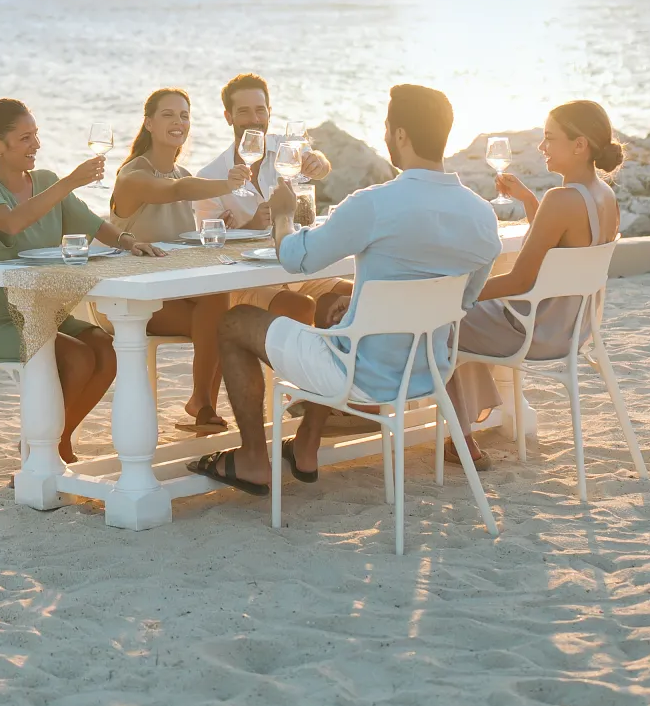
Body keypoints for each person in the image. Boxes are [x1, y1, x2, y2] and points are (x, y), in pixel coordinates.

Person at [193, 84, 501, 496]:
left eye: (388, 128)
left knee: (234, 322)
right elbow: (459, 301)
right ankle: (305, 444)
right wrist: (361, 302)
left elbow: (298, 258)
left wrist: (283, 217)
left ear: (401, 135)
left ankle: (252, 459)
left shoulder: (373, 204)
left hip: (360, 371)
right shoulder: (482, 215)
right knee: (328, 304)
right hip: (429, 368)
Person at [0, 99, 162, 463]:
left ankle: (55, 442)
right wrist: (71, 182)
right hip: (3, 320)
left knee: (105, 349)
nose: (36, 145)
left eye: (36, 135)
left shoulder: (45, 182)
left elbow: (90, 222)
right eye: (25, 138)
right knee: (77, 358)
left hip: (51, 313)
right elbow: (12, 222)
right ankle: (44, 451)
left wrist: (129, 241)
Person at [444, 100, 624, 466]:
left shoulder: (561, 200)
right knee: (462, 313)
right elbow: (562, 244)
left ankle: (460, 439)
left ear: (580, 145)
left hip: (529, 332)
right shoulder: (605, 197)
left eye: (549, 139)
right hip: (574, 330)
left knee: (440, 318)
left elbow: (521, 279)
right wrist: (528, 199)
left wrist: (462, 295)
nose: (542, 148)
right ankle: (467, 426)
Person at [108, 88, 253, 433]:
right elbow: (176, 191)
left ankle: (202, 402)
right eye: (168, 115)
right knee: (221, 314)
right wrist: (226, 184)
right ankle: (202, 403)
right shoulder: (133, 177)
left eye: (185, 115)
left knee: (222, 305)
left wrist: (222, 226)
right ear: (148, 123)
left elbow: (182, 236)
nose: (178, 122)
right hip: (129, 296)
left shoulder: (183, 173)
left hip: (173, 289)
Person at [193, 73, 345, 325]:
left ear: (269, 112)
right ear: (228, 117)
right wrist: (250, 227)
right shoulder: (210, 177)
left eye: (260, 110)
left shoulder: (287, 149)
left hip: (299, 272)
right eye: (243, 111)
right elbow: (209, 251)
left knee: (358, 293)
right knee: (298, 307)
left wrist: (319, 162)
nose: (254, 119)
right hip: (247, 281)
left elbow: (320, 161)